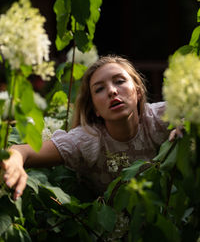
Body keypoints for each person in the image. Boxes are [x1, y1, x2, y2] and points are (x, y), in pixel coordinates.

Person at [1, 55, 172, 201]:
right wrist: (15, 160)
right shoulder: (89, 141)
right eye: (99, 89)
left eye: (119, 81)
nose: (112, 91)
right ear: (95, 109)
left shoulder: (164, 118)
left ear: (138, 91)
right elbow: (23, 151)